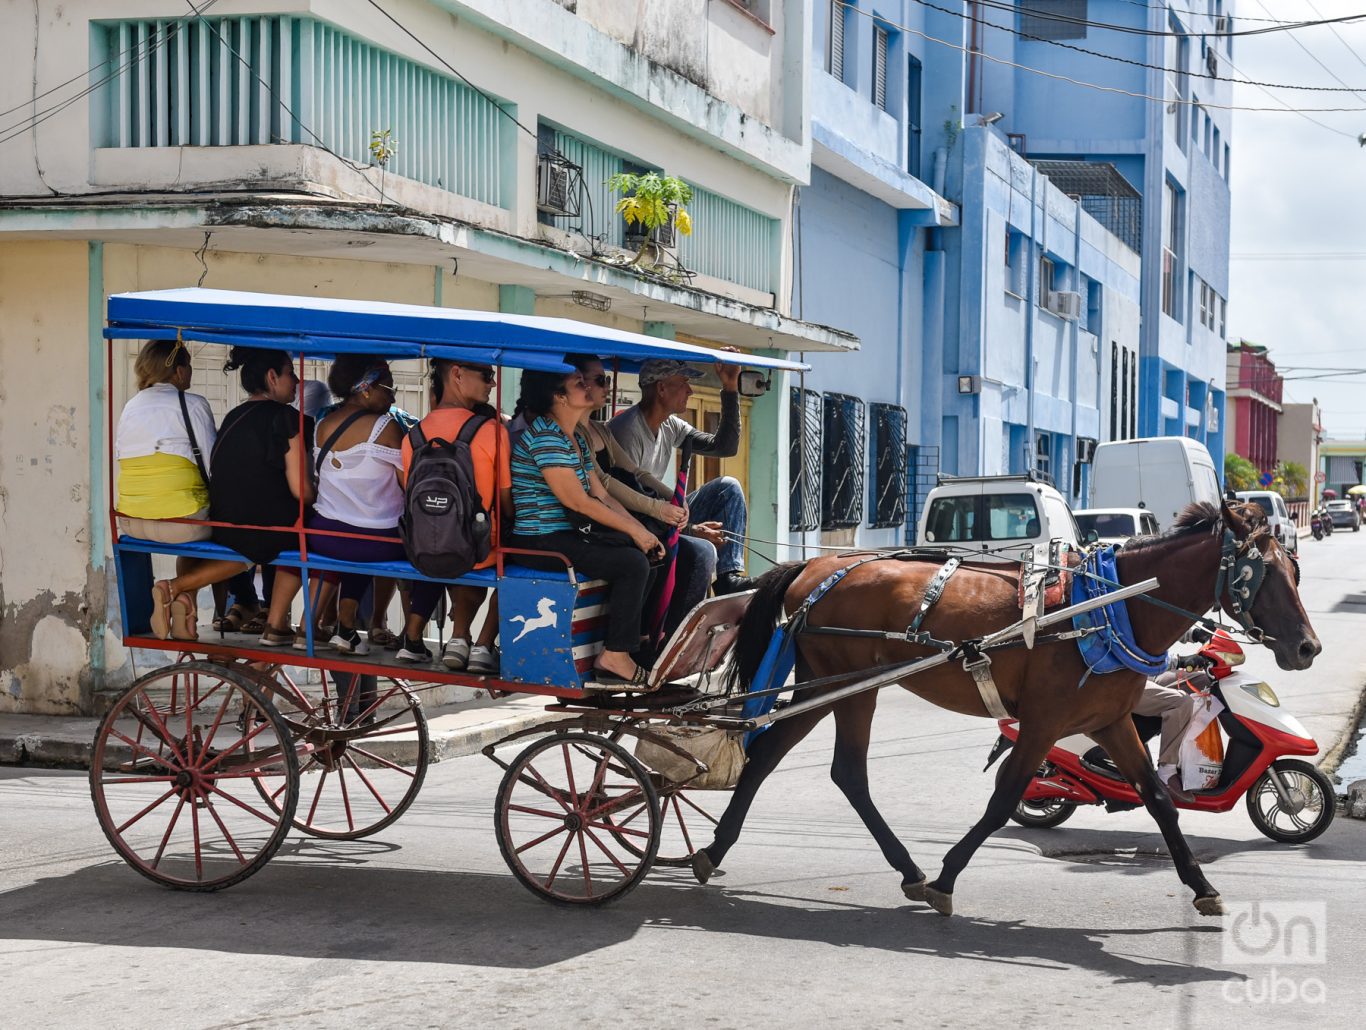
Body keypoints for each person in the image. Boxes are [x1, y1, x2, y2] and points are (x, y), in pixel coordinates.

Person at [507, 367, 664, 687]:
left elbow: (601, 493)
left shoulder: (574, 436)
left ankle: (634, 643)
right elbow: (578, 501)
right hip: (540, 539)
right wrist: (636, 533)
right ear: (559, 397)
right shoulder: (545, 437)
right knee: (632, 563)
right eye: (580, 384)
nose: (589, 388)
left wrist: (641, 532)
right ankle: (614, 654)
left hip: (566, 534)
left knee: (652, 554)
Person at [147, 347, 313, 642]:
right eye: (291, 373)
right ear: (272, 377)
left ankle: (263, 617)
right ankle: (176, 587)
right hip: (263, 528)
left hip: (224, 522)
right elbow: (301, 490)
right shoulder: (287, 417)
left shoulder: (234, 416)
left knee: (264, 542)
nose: (297, 381)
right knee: (315, 536)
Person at [566, 354, 704, 638]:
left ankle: (663, 635)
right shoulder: (571, 435)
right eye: (600, 381)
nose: (607, 387)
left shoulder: (600, 430)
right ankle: (633, 640)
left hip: (609, 512)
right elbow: (602, 485)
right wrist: (654, 510)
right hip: (584, 522)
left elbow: (635, 472)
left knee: (675, 549)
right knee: (646, 556)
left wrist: (675, 499)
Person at [396, 358, 512, 673]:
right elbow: (505, 502)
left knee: (459, 546)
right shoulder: (491, 431)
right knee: (516, 556)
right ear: (457, 374)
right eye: (487, 375)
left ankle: (460, 639)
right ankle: (483, 645)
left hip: (424, 552)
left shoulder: (413, 436)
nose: (493, 383)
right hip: (480, 552)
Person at [288, 355, 407, 655]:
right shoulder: (386, 427)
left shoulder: (322, 424)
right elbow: (411, 483)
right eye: (387, 388)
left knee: (349, 542)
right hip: (379, 540)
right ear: (365, 388)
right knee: (382, 543)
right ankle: (400, 631)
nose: (393, 395)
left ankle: (327, 625)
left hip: (325, 535)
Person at [609, 357, 751, 595]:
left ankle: (728, 576)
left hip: (664, 513)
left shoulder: (670, 425)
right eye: (684, 382)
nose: (690, 390)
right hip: (637, 519)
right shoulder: (627, 431)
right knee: (699, 553)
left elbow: (723, 447)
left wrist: (730, 388)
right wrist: (691, 529)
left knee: (728, 487)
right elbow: (632, 505)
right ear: (661, 388)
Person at [115, 338, 216, 545]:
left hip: (130, 522)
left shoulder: (130, 408)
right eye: (188, 365)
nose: (190, 371)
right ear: (179, 371)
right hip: (182, 524)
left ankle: (179, 579)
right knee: (247, 542)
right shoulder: (194, 404)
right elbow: (214, 467)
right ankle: (182, 580)